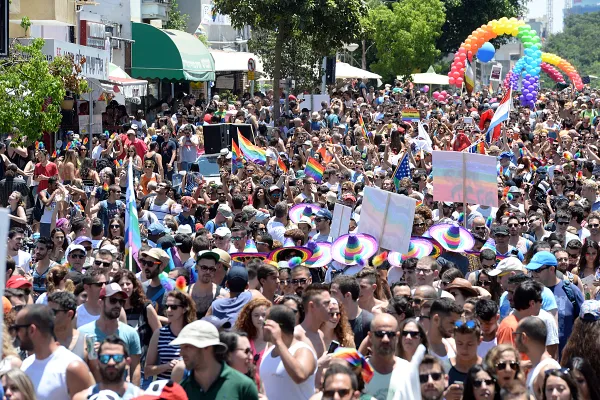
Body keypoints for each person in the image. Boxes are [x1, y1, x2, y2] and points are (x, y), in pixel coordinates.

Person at [15, 304, 94, 400]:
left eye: (18, 328)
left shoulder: (72, 368)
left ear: (32, 330)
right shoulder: (25, 365)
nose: (16, 333)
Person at [173, 320, 259, 399]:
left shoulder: (243, 386)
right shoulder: (182, 390)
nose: (181, 353)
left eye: (187, 347)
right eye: (181, 347)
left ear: (207, 346)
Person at [77, 282, 142, 386]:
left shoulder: (131, 333)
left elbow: (136, 368)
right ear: (100, 302)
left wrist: (135, 395)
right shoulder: (83, 332)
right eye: (113, 300)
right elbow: (78, 367)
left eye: (121, 302)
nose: (117, 305)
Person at [526, 250, 584, 357]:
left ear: (552, 269)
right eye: (532, 270)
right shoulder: (529, 293)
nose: (533, 274)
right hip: (539, 356)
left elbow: (583, 322)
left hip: (568, 357)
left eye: (538, 270)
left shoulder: (571, 290)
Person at [260, 305, 317, 400]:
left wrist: (278, 341)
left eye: (264, 323)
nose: (261, 327)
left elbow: (300, 375)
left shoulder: (303, 350)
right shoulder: (269, 351)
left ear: (275, 326)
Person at [364, 313, 421, 400]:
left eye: (390, 334)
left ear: (397, 337)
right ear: (370, 337)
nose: (385, 339)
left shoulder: (409, 372)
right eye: (380, 334)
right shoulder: (359, 372)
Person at [145, 290, 197, 381]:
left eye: (174, 307)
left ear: (184, 309)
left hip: (187, 388)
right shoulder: (159, 333)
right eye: (167, 306)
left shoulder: (194, 333)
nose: (168, 310)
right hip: (164, 388)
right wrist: (166, 366)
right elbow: (147, 370)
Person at [72, 336, 144, 400]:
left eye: (117, 358)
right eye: (105, 358)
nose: (111, 362)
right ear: (98, 362)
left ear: (127, 362)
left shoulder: (141, 397)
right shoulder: (82, 398)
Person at [514, 316, 561, 397]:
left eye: (515, 335)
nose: (514, 339)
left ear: (523, 337)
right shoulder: (538, 368)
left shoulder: (547, 370)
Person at [330, 276, 373, 349]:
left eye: (334, 293)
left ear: (347, 295)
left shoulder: (369, 322)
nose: (330, 297)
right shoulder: (331, 320)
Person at [234, 298, 271, 374]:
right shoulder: (244, 340)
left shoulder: (275, 341)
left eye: (264, 315)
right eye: (256, 315)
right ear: (249, 318)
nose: (260, 319)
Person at [187, 249, 227, 319]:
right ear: (196, 267)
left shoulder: (223, 295)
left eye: (211, 269)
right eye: (204, 268)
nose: (208, 272)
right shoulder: (184, 293)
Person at [48, 291, 86, 359]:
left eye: (53, 312)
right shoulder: (41, 340)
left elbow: (95, 368)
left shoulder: (88, 342)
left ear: (69, 314)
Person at [427, 298, 461, 373]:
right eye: (452, 322)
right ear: (436, 319)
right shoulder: (419, 347)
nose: (455, 327)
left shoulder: (453, 345)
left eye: (457, 323)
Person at [448, 319, 482, 385]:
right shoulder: (444, 368)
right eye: (460, 343)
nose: (464, 349)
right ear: (454, 340)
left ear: (479, 341)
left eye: (470, 344)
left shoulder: (488, 368)